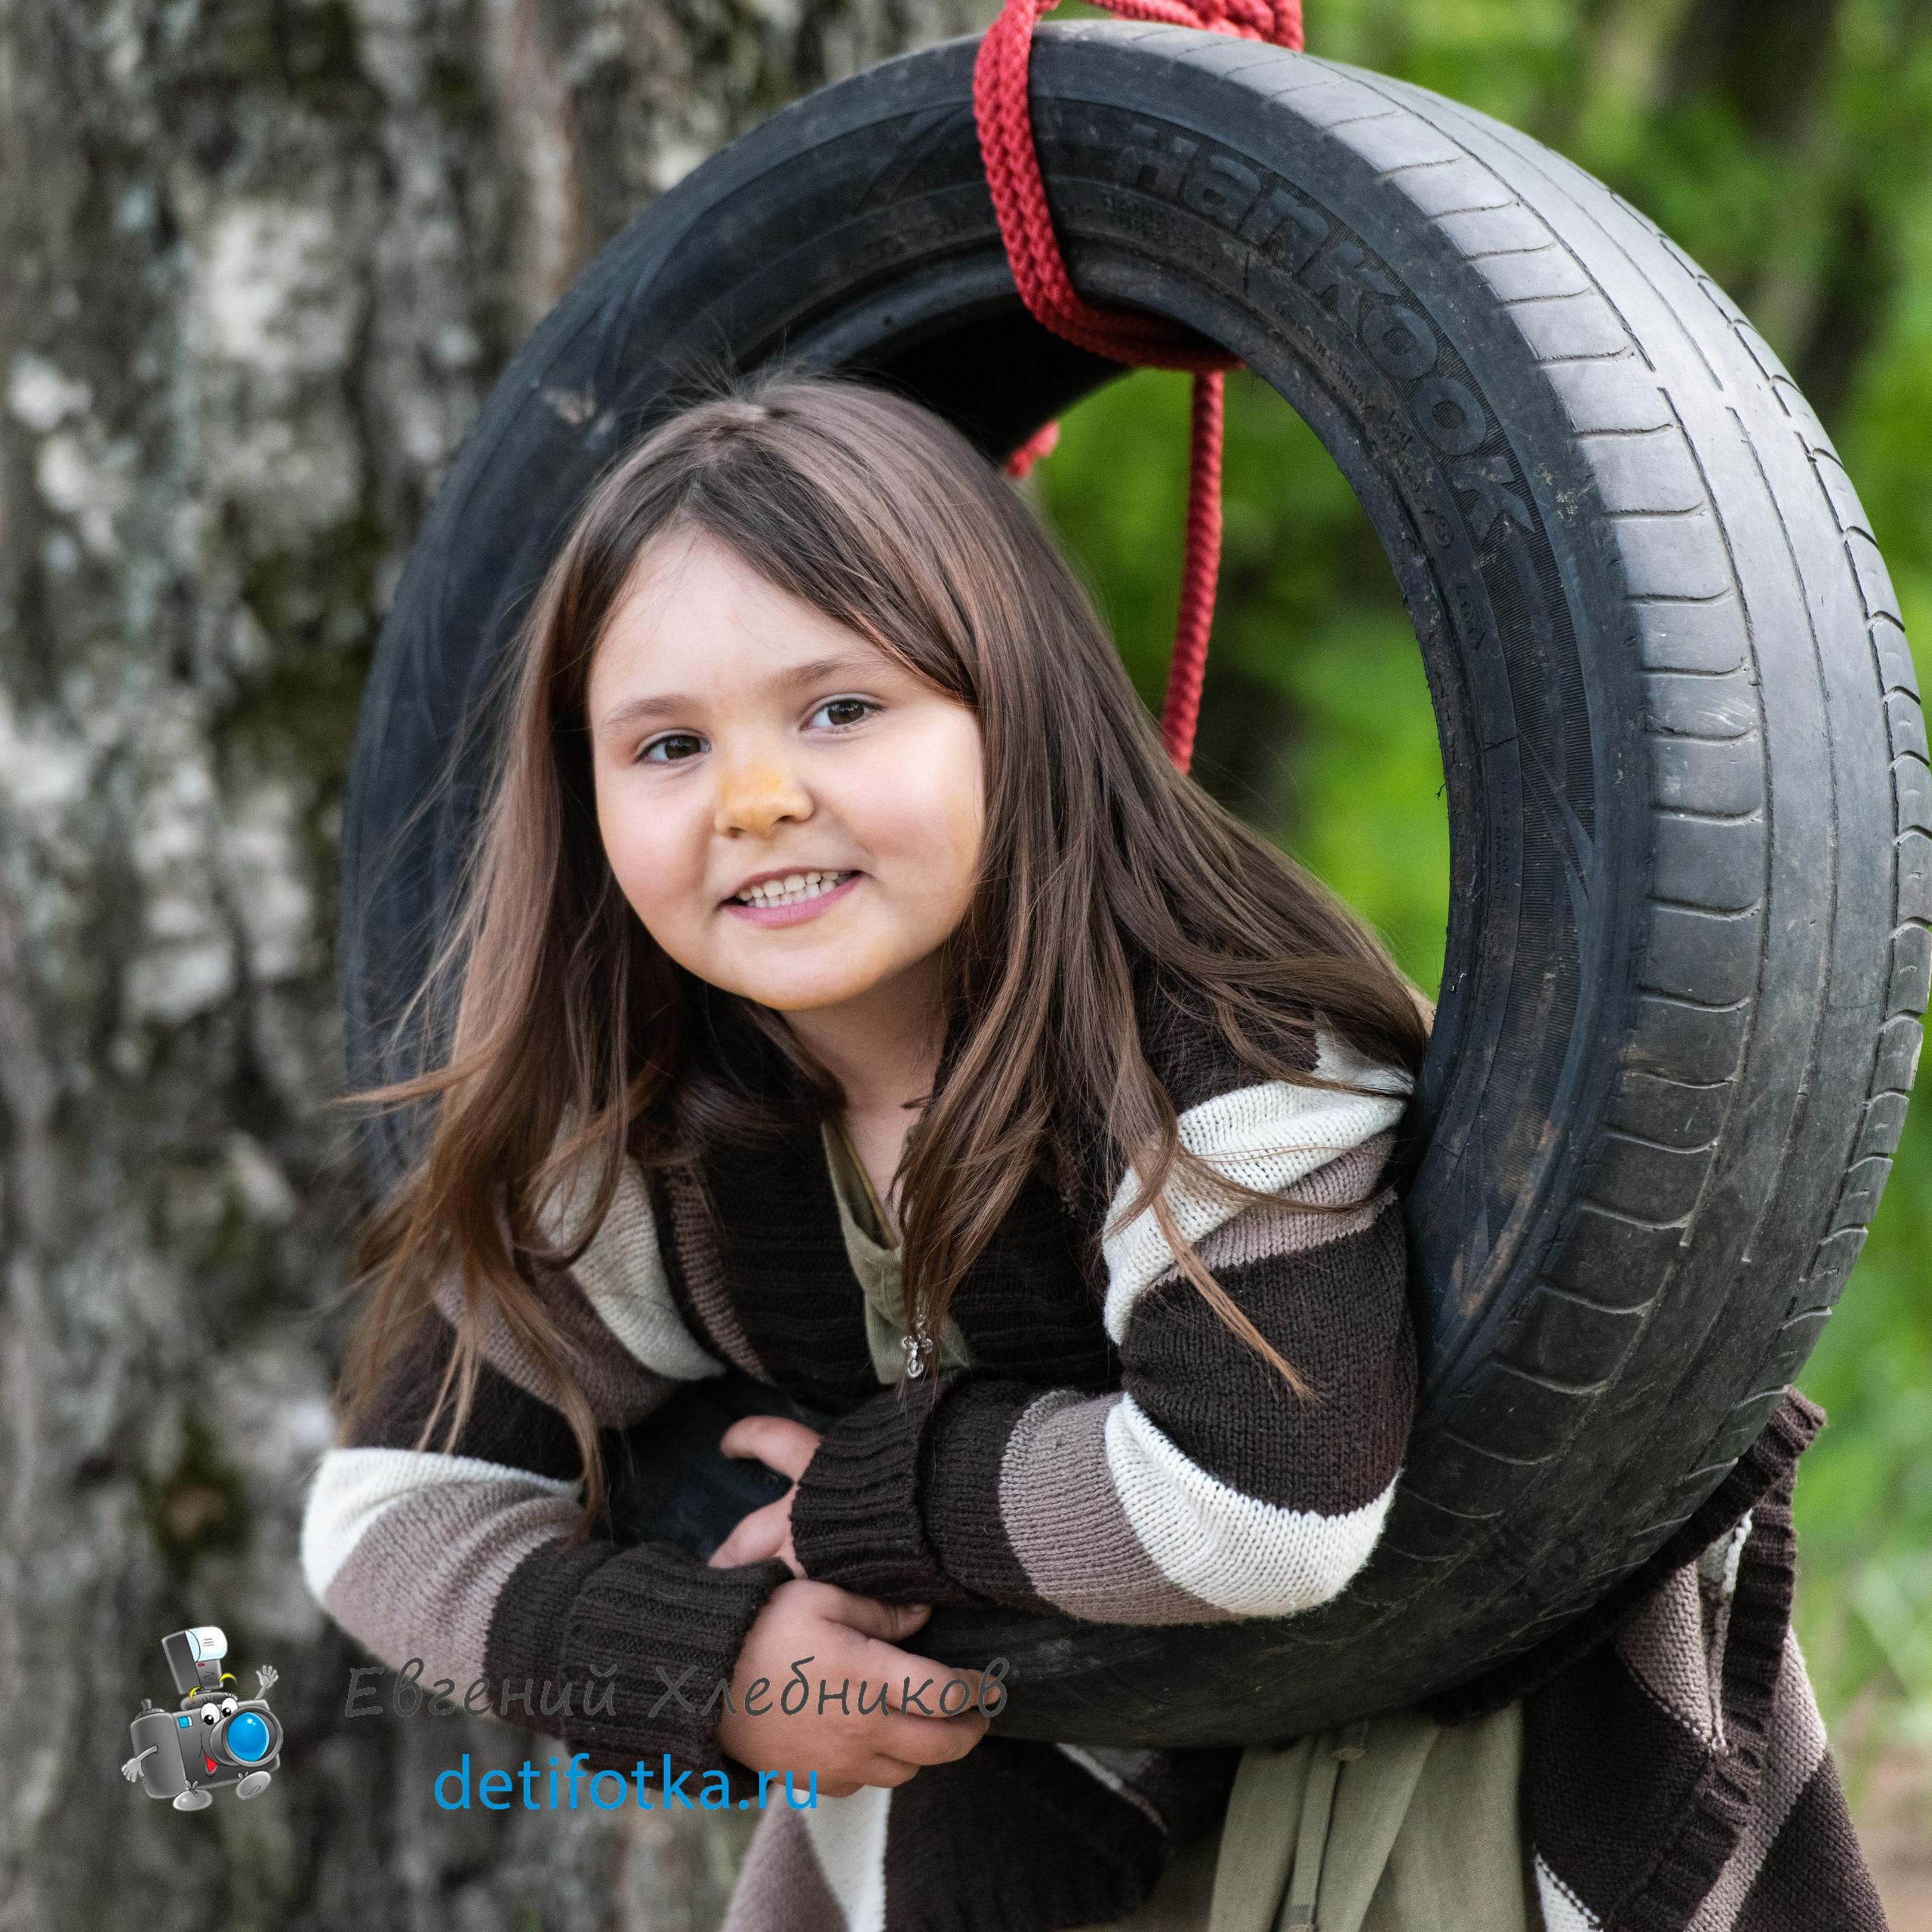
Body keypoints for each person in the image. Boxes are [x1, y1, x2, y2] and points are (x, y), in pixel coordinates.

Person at [300, 369, 1884, 1932]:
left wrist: (876, 1493)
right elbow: (381, 1510)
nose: (758, 797)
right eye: (664, 746)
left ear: (1016, 713)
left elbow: (1258, 1501)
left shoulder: (1209, 1054)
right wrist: (713, 1669)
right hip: (1022, 1772)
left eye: (840, 708)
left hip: (1433, 1723)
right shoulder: (663, 1141)